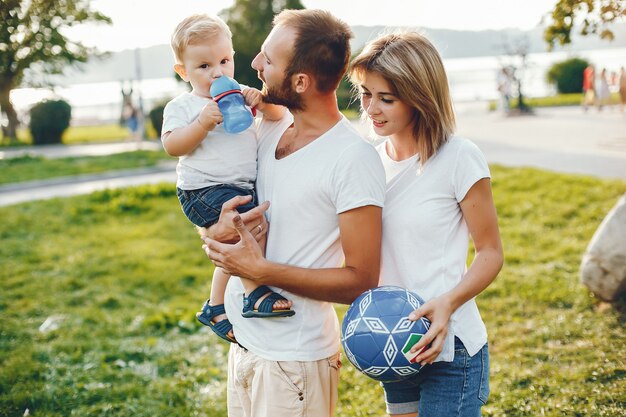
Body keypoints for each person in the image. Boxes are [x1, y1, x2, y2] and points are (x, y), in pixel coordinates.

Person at [201, 9, 386, 417]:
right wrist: (217, 229)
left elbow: (360, 280)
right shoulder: (267, 126)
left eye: (268, 58)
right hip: (244, 346)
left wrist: (262, 271)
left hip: (296, 362)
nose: (254, 65)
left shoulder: (352, 159)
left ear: (300, 81)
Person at [349, 32, 504, 416]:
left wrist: (448, 303)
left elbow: (490, 253)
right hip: (392, 347)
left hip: (450, 349)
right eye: (366, 93)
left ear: (420, 97)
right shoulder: (366, 163)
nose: (371, 109)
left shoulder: (458, 158)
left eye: (386, 98)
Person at [161, 14, 294, 344]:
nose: (217, 72)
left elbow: (279, 116)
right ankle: (254, 292)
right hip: (202, 189)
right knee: (246, 230)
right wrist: (202, 124)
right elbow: (171, 145)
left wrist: (262, 103)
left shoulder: (240, 96)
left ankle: (215, 305)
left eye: (223, 61)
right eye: (204, 67)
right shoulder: (185, 106)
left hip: (237, 187)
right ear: (183, 72)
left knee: (244, 235)